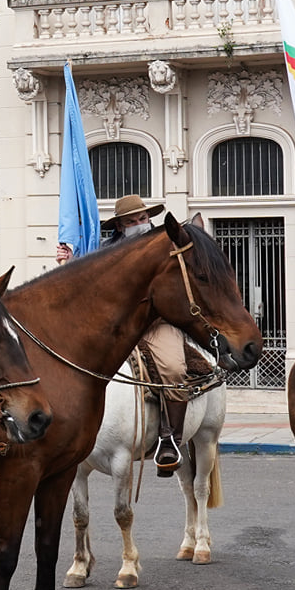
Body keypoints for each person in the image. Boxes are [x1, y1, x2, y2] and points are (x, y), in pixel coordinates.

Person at [101, 193, 191, 476]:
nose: (140, 224)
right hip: (119, 326)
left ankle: (170, 440)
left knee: (174, 369)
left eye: (143, 218)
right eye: (132, 221)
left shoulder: (166, 245)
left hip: (158, 323)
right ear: (119, 227)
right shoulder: (107, 251)